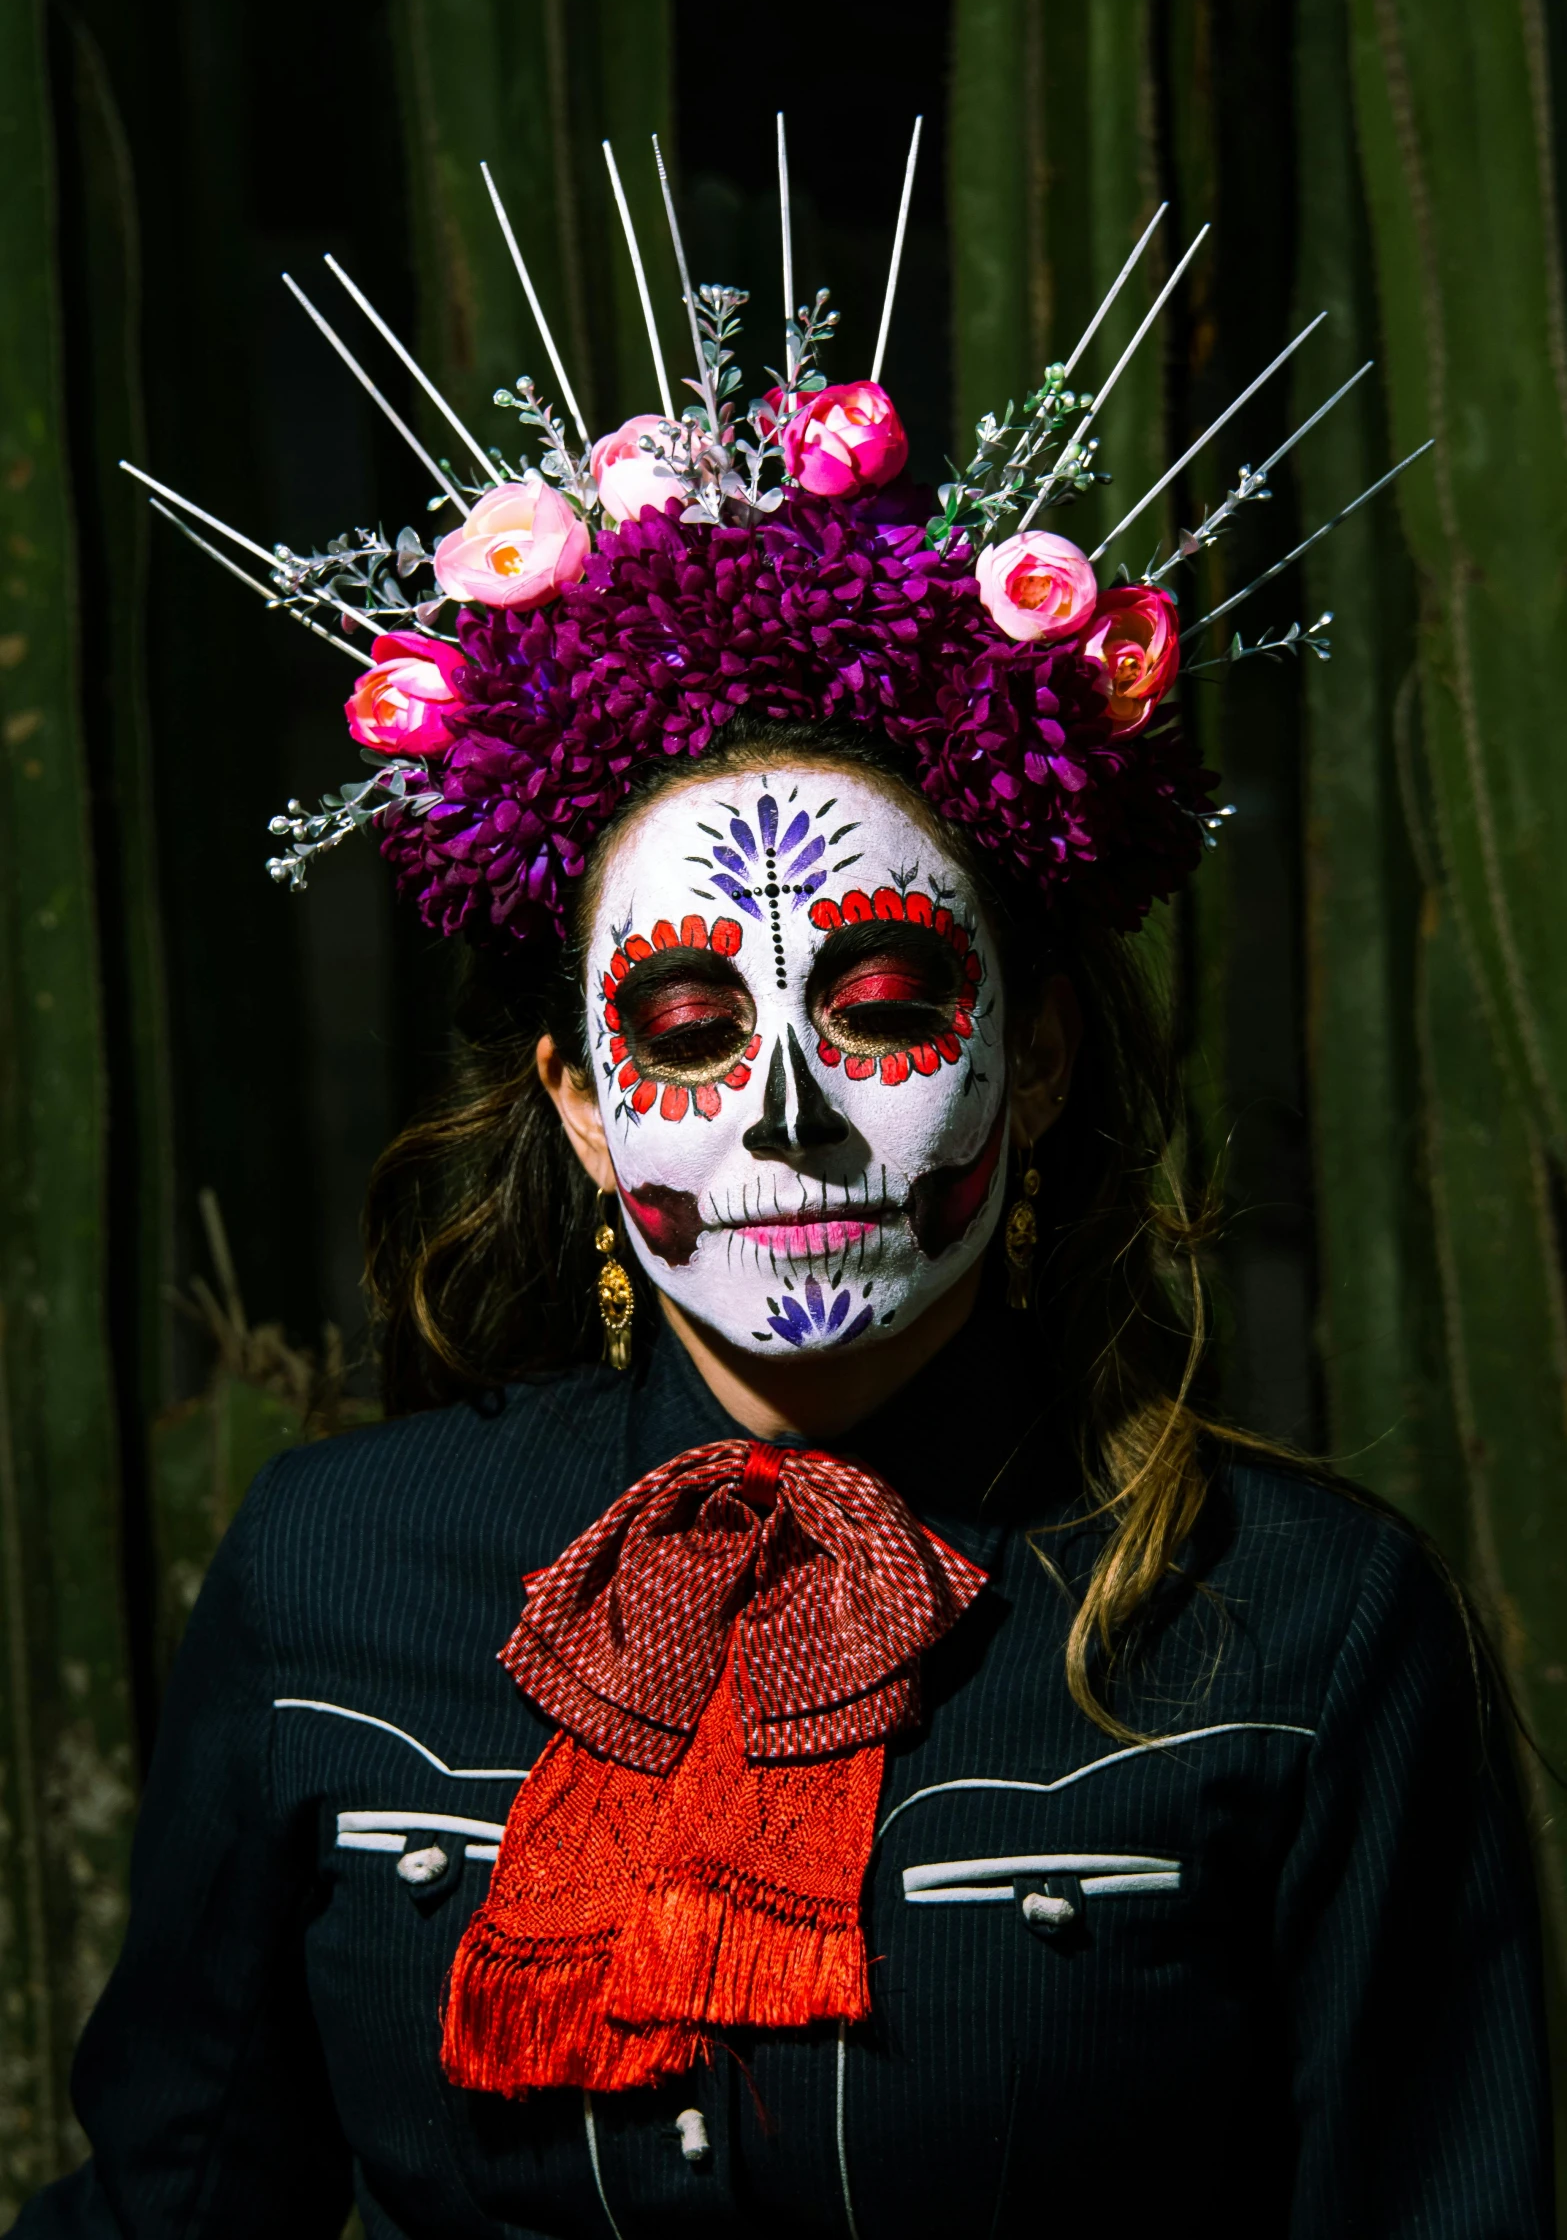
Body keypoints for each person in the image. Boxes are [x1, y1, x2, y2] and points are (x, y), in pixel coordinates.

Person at [14, 142, 1550, 2238]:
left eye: (893, 993)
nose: (797, 1115)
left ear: (1048, 1041)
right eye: (680, 1022)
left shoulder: (1303, 1620)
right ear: (573, 1096)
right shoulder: (331, 1578)